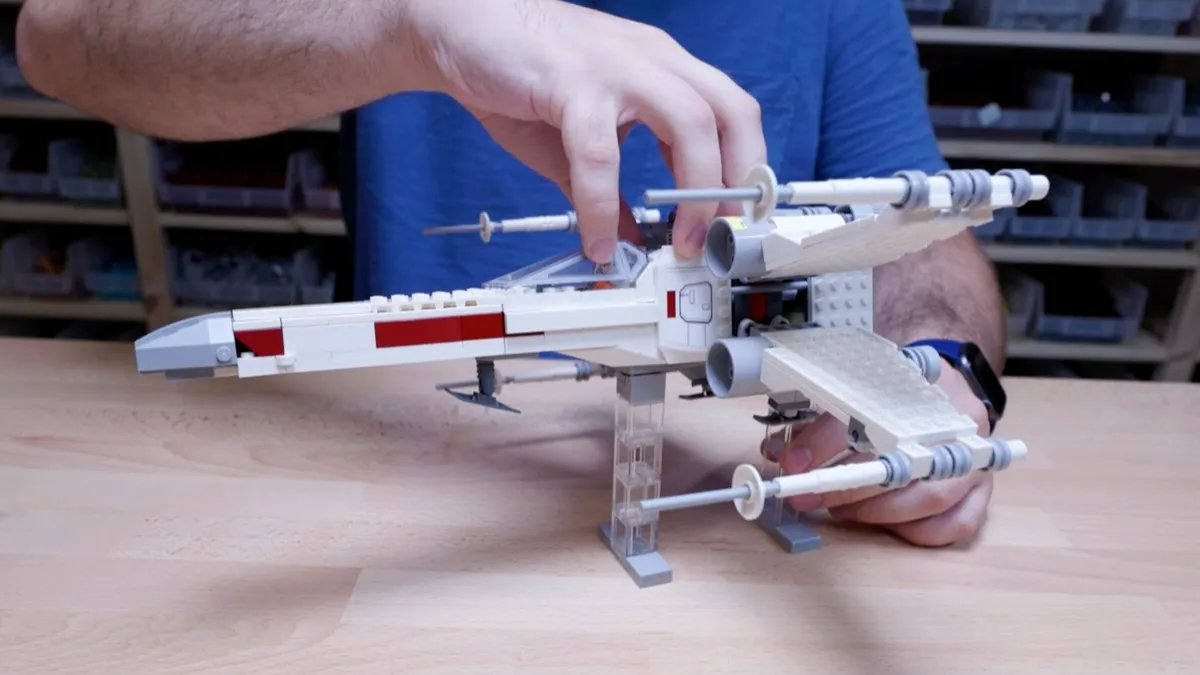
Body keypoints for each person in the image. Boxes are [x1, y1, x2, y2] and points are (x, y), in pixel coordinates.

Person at [16, 0, 1009, 549]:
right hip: (394, 472)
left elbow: (915, 234)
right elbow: (57, 36)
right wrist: (404, 28)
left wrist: (936, 367)